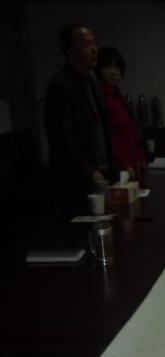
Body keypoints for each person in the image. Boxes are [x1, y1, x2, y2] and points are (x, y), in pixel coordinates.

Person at [44, 23, 119, 219]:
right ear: (70, 52)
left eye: (94, 43)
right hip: (77, 177)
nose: (94, 50)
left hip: (103, 170)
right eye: (86, 45)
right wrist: (89, 170)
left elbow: (103, 126)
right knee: (81, 228)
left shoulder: (93, 79)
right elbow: (61, 137)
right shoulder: (61, 86)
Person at [96, 46, 145, 180]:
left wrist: (138, 156)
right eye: (107, 67)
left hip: (130, 161)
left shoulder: (116, 94)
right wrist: (124, 163)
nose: (113, 72)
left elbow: (128, 131)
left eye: (117, 68)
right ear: (99, 70)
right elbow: (109, 137)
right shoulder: (100, 98)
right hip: (116, 165)